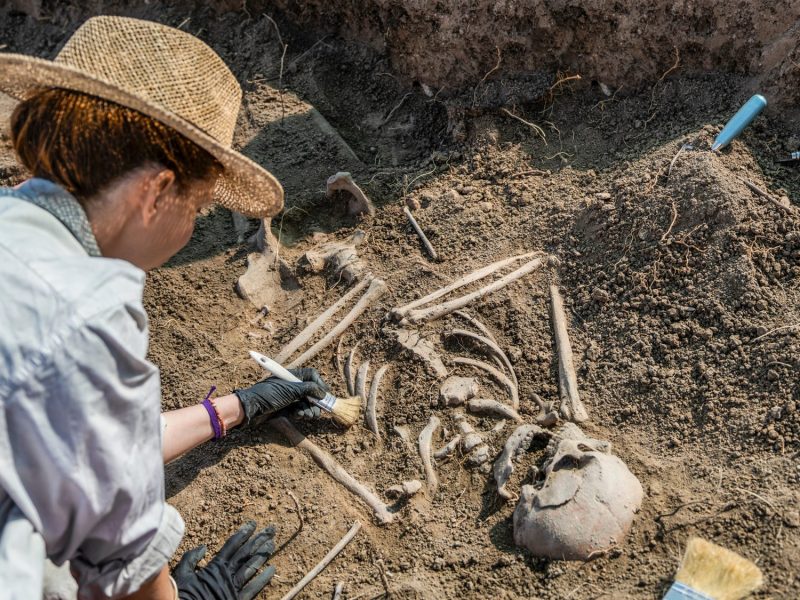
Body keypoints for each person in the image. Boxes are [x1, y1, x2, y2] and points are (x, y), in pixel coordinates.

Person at [0, 16, 329, 600]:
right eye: (198, 209)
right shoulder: (85, 308)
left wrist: (236, 407)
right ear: (155, 192)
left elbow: (87, 445)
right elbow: (121, 567)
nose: (189, 230)